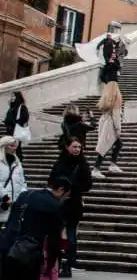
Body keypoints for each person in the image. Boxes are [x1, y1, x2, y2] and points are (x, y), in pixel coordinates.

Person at [0, 175, 72, 280]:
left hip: (9, 248)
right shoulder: (55, 206)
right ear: (61, 189)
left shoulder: (25, 195)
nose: (64, 199)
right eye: (66, 196)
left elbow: (11, 220)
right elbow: (55, 239)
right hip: (29, 255)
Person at [48, 137, 93, 278]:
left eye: (79, 147)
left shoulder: (83, 164)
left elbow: (88, 185)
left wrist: (72, 189)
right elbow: (51, 180)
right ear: (67, 147)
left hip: (74, 202)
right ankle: (56, 265)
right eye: (74, 146)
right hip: (59, 202)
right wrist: (60, 190)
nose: (77, 149)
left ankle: (68, 265)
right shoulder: (60, 162)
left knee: (71, 236)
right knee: (56, 235)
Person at [92, 81, 124, 179]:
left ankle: (112, 165)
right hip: (111, 125)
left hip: (104, 122)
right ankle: (96, 169)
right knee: (105, 147)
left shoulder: (106, 99)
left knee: (116, 144)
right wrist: (118, 129)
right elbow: (116, 115)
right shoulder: (116, 98)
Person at [0, 136, 26, 228]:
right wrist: (5, 197)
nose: (14, 148)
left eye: (15, 146)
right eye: (11, 145)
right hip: (3, 202)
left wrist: (22, 195)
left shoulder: (18, 163)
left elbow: (22, 181)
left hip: (15, 203)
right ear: (5, 146)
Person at [4, 92, 28, 163]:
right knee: (10, 148)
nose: (12, 98)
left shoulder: (22, 107)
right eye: (11, 96)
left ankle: (18, 162)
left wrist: (14, 122)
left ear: (17, 97)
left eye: (13, 96)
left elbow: (24, 118)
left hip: (16, 130)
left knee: (16, 148)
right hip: (10, 131)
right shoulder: (11, 108)